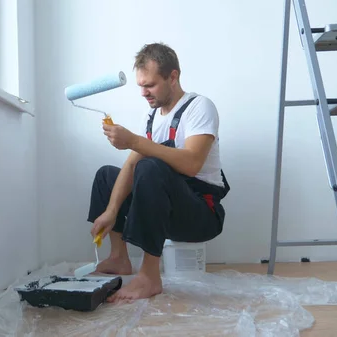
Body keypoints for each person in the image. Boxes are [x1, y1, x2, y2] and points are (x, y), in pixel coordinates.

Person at [86, 42, 230, 302]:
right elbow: (130, 166)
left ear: (173, 77)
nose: (143, 92)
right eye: (140, 85)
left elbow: (191, 163)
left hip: (201, 212)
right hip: (165, 206)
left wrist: (134, 141)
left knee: (150, 166)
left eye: (150, 85)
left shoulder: (200, 107)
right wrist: (111, 210)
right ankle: (119, 257)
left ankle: (150, 276)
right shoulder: (151, 118)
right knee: (107, 175)